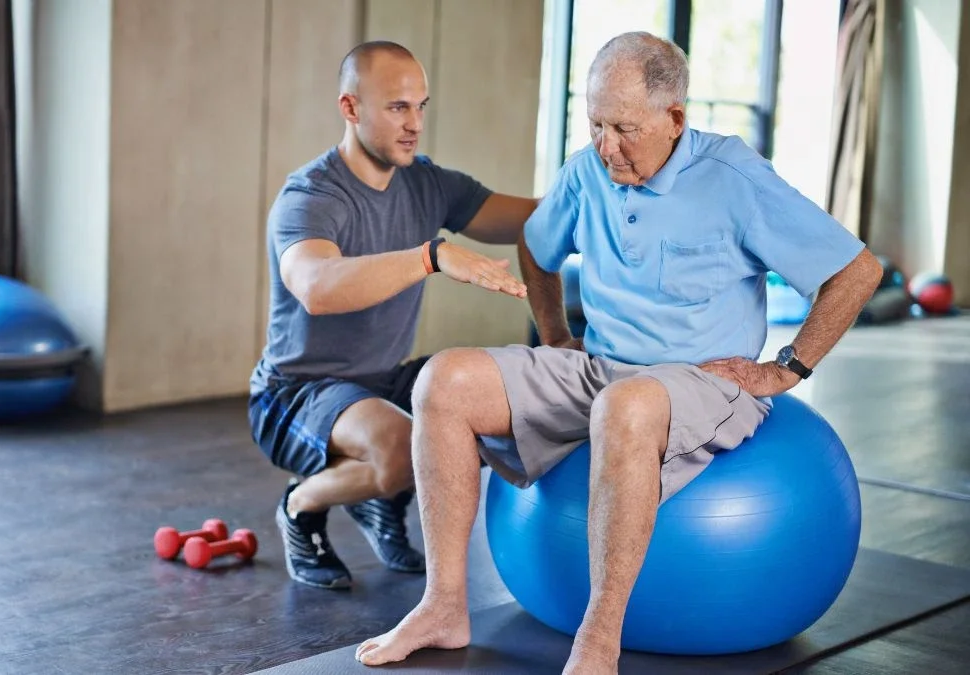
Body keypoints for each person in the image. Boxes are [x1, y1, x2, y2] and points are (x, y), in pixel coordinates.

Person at [355, 31, 883, 673]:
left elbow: (855, 270)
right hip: (601, 368)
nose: (607, 145)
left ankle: (598, 638)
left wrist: (789, 366)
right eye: (596, 123)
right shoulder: (587, 170)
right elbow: (536, 246)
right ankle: (442, 606)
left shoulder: (734, 177)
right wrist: (553, 336)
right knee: (443, 380)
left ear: (676, 119)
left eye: (624, 128)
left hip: (703, 380)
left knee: (624, 407)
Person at [248, 40, 539, 591]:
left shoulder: (427, 184)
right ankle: (301, 503)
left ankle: (380, 491)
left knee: (484, 403)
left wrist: (607, 185)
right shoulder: (310, 197)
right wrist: (431, 255)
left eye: (421, 106)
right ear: (351, 107)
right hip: (296, 393)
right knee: (409, 445)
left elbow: (529, 219)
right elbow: (317, 287)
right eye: (397, 107)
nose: (414, 124)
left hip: (379, 381)